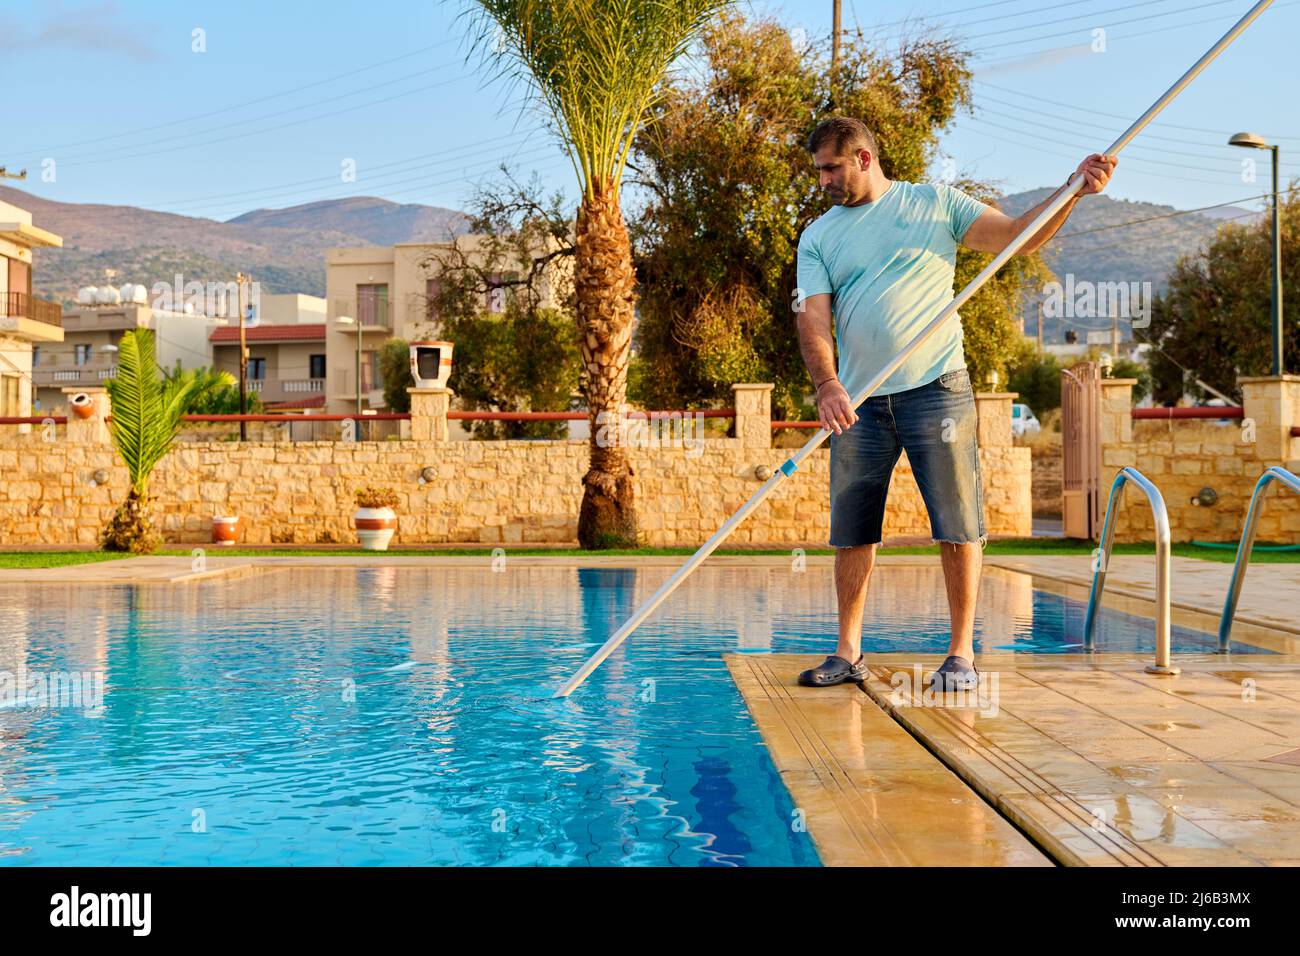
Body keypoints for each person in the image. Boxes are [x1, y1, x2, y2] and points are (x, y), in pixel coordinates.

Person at [793, 116, 1116, 689]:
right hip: (859, 402)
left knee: (957, 521)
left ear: (864, 158)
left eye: (831, 168)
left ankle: (961, 653)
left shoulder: (935, 204)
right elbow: (813, 316)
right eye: (819, 170)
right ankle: (847, 652)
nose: (823, 181)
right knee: (851, 528)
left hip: (937, 390)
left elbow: (1019, 234)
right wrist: (827, 383)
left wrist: (1073, 189)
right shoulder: (819, 236)